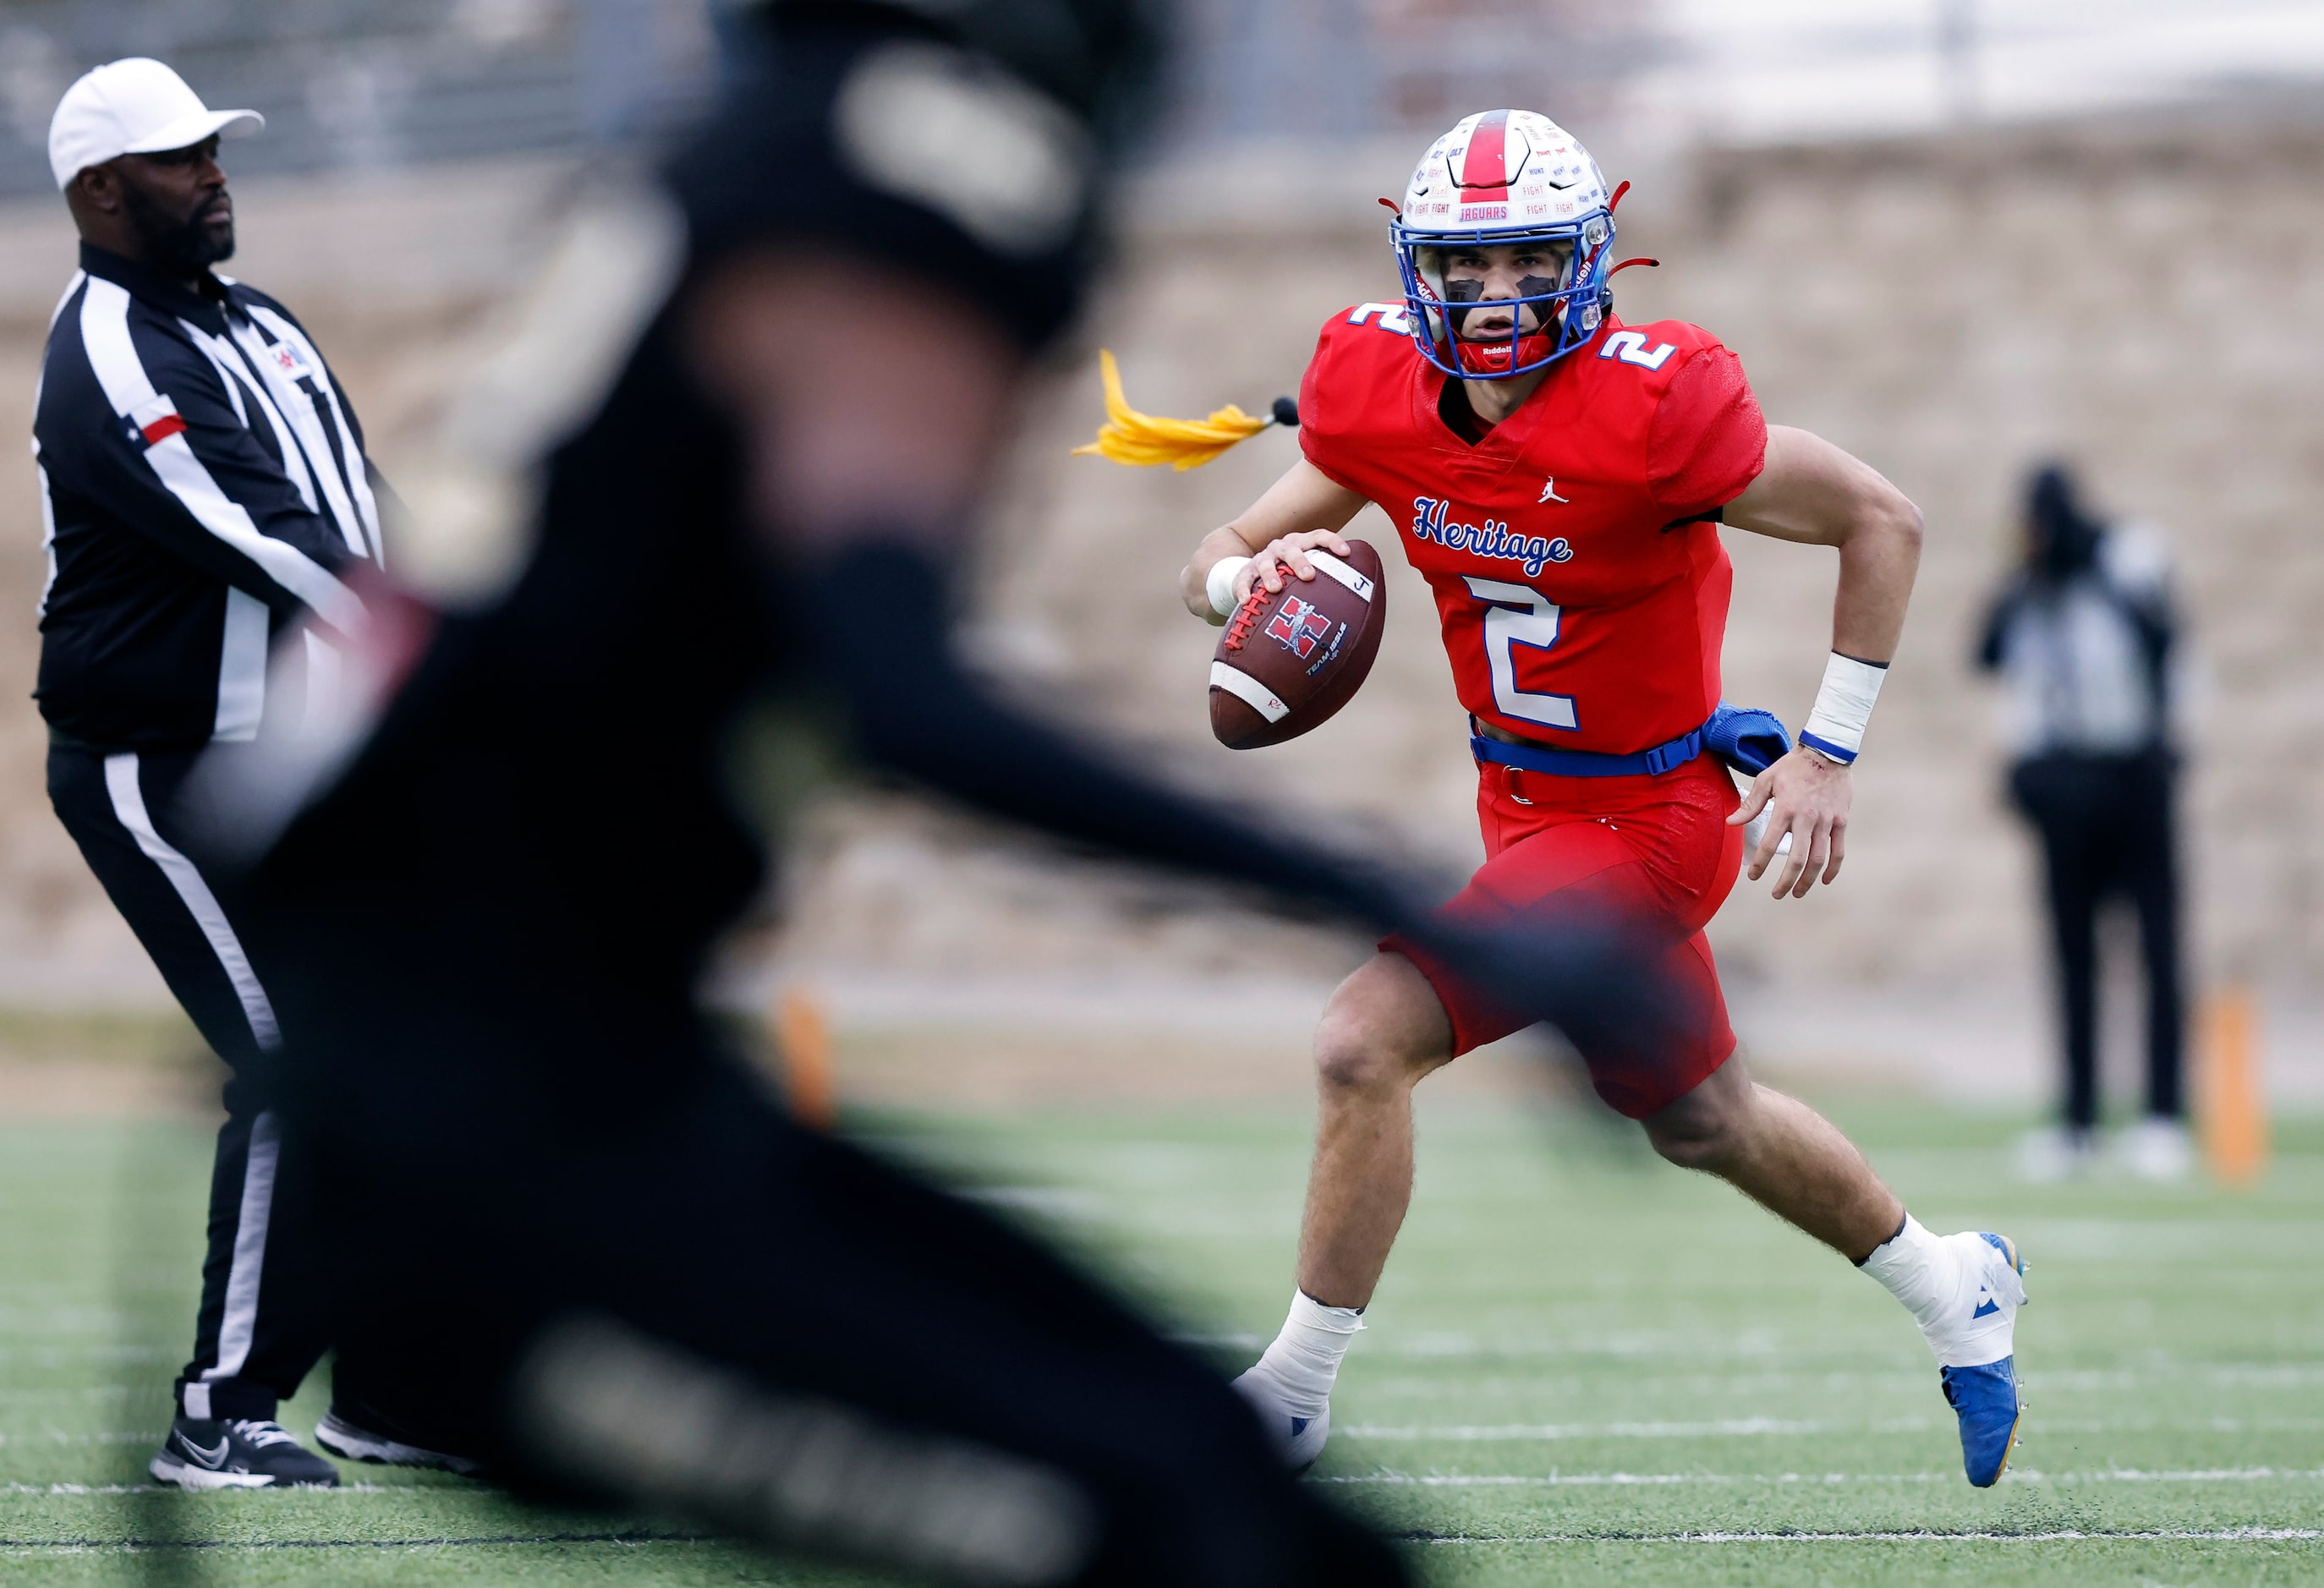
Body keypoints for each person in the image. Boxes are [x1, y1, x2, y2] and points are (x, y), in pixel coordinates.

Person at [189, 8, 1664, 1581]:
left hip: (573, 1094)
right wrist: (1396, 902)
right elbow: (900, 693)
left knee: (1237, 1503)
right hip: (492, 1190)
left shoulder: (759, 143)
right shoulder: (912, 168)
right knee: (1203, 1532)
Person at [1162, 109, 2027, 1488]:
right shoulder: (1376, 394)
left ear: (1587, 261)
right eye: (1465, 265)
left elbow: (1883, 517)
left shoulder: (1653, 410)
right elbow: (1222, 547)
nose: (1495, 297)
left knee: (1359, 1040)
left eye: (1525, 263)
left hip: (1647, 821)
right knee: (1702, 1119)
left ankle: (1292, 1394)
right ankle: (1954, 1283)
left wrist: (1828, 750)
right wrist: (1237, 585)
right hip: (1526, 813)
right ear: (1416, 271)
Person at [32, 56, 406, 1490]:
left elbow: (357, 509)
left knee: (418, 1048)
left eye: (214, 149)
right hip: (157, 765)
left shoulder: (263, 323)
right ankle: (215, 1412)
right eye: (179, 159)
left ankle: (385, 1385)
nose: (213, 174)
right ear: (98, 192)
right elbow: (267, 537)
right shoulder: (110, 350)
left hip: (291, 759)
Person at [1976, 463, 2188, 1182]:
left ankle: (2163, 1115)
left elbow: (2166, 644)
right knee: (2071, 954)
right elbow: (1989, 653)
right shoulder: (2032, 582)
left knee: (2158, 949)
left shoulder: (2130, 557)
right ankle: (2078, 1119)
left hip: (2135, 773)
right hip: (2067, 785)